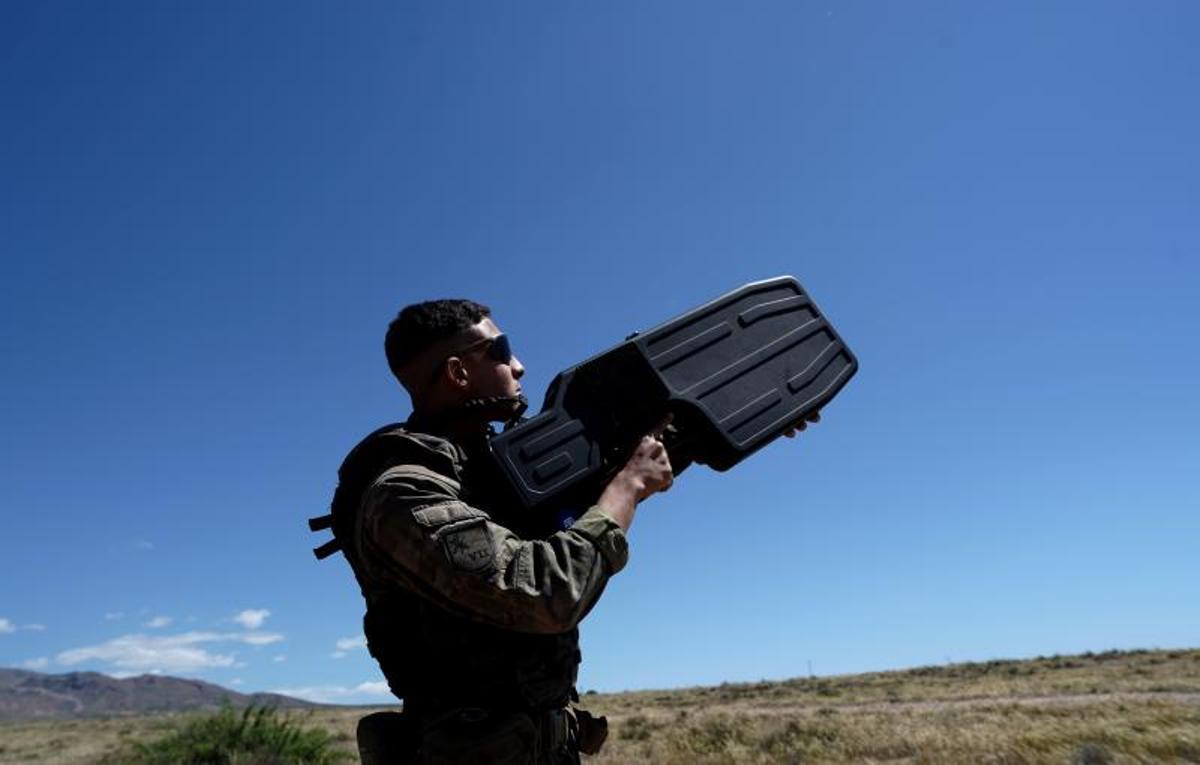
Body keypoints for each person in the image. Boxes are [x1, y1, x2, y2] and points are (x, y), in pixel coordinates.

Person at [336, 299, 674, 764]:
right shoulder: (404, 493)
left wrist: (750, 417)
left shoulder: (484, 479)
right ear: (457, 372)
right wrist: (627, 489)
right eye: (501, 350)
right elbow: (544, 592)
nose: (519, 365)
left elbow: (611, 478)